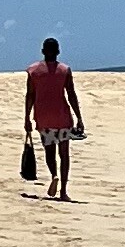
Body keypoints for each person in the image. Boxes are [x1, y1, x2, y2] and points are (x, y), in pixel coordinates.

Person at [23, 37, 85, 201]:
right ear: (58, 52)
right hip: (62, 116)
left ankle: (54, 175)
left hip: (44, 117)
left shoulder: (33, 71)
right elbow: (71, 94)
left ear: (43, 51)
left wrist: (27, 118)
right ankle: (63, 191)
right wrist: (79, 118)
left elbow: (30, 95)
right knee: (64, 154)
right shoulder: (64, 70)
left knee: (50, 152)